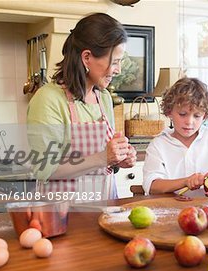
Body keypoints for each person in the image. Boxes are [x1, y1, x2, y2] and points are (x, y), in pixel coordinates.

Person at [27, 13, 136, 200]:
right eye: (115, 62)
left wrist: (119, 158)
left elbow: (107, 161)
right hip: (63, 213)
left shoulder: (104, 98)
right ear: (87, 58)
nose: (118, 70)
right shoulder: (48, 99)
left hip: (105, 203)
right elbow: (45, 171)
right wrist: (103, 157)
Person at [142, 77, 208, 195]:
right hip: (170, 208)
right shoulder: (158, 144)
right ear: (169, 112)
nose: (189, 122)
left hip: (207, 208)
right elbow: (153, 185)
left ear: (205, 116)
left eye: (197, 116)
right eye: (183, 114)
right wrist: (186, 181)